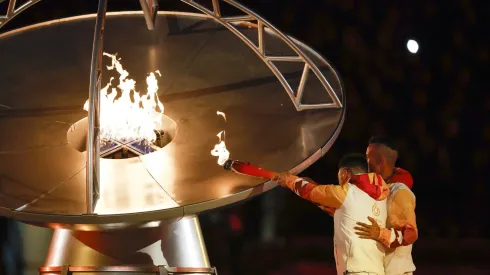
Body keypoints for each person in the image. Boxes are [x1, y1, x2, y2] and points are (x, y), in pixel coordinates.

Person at [274, 153, 389, 275]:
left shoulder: (348, 193)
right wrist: (304, 182)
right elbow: (328, 202)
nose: (339, 183)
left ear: (345, 173)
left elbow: (310, 191)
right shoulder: (381, 198)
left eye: (339, 177)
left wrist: (288, 180)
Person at [354, 136, 417, 275]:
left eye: (367, 157)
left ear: (380, 161)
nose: (366, 162)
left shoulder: (400, 191)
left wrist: (380, 233)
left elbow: (411, 234)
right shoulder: (371, 188)